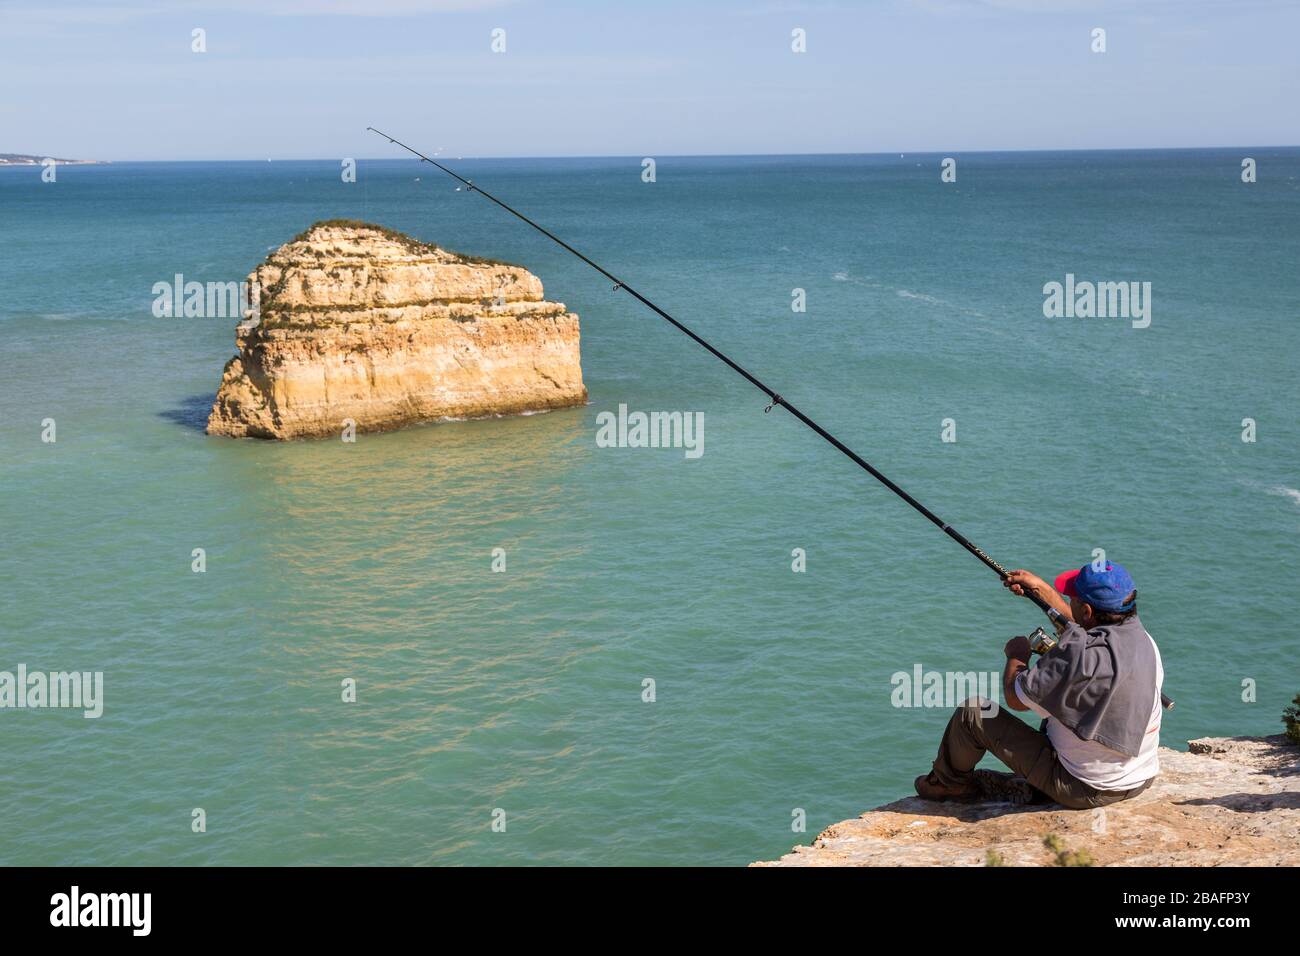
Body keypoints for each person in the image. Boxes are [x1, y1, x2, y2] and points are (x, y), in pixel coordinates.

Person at [914, 561, 1163, 809]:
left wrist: (1017, 657)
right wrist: (1040, 589)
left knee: (973, 714)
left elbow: (1015, 698)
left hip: (1084, 788)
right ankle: (1031, 782)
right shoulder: (1145, 642)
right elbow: (1080, 630)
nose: (1069, 600)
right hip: (1139, 778)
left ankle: (948, 785)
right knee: (1053, 710)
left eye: (1072, 597)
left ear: (1086, 611)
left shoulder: (1074, 658)